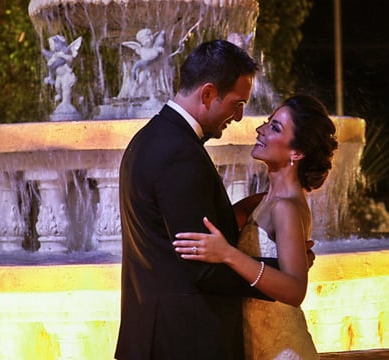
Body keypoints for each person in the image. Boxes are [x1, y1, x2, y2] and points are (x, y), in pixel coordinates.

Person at [116, 39, 280, 360]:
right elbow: (203, 269)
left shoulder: (151, 137)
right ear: (207, 93)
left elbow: (179, 231)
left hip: (154, 338)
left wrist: (244, 210)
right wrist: (280, 273)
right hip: (185, 342)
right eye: (236, 103)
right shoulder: (180, 154)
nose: (239, 115)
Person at [173, 94, 338, 360]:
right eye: (267, 122)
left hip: (282, 350)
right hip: (257, 345)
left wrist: (228, 254)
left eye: (275, 128)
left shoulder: (286, 207)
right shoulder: (262, 201)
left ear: (297, 152)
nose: (260, 130)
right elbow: (219, 221)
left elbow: (295, 290)